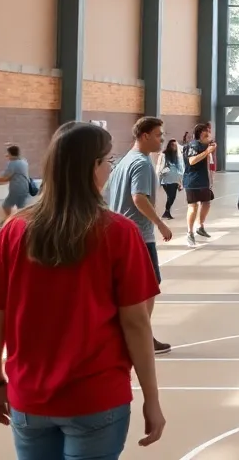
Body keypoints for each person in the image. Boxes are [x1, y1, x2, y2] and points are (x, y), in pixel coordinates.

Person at [0, 122, 164, 459]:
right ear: (92, 166)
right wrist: (152, 398)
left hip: (29, 398)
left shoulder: (14, 231)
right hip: (96, 398)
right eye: (108, 160)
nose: (111, 167)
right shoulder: (120, 233)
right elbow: (136, 323)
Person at [104, 117, 172, 354]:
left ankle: (126, 333)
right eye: (158, 135)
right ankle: (141, 336)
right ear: (144, 136)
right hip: (138, 235)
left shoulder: (124, 161)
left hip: (120, 232)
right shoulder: (142, 163)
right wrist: (160, 224)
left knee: (133, 287)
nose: (161, 139)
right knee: (149, 285)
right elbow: (138, 197)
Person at [182, 123, 217, 247]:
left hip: (204, 180)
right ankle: (190, 233)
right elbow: (192, 161)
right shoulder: (193, 145)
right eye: (205, 131)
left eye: (209, 130)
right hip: (192, 181)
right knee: (193, 207)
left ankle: (200, 226)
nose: (208, 133)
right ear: (199, 132)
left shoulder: (205, 145)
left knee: (206, 203)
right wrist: (207, 151)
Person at [0, 144, 32, 226]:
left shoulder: (12, 163)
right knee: (21, 207)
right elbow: (8, 172)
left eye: (8, 153)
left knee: (6, 205)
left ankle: (9, 221)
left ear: (11, 154)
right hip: (25, 187)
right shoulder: (24, 161)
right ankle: (23, 223)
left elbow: (6, 177)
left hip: (16, 188)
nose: (6, 155)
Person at [154, 139, 183, 221]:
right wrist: (167, 170)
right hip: (166, 180)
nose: (174, 147)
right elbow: (160, 168)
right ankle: (167, 212)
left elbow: (179, 170)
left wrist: (180, 182)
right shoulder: (164, 155)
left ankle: (167, 212)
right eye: (172, 145)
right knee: (170, 196)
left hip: (175, 179)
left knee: (172, 197)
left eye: (175, 145)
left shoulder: (177, 156)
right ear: (169, 146)